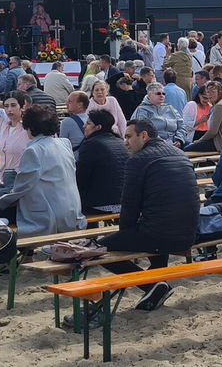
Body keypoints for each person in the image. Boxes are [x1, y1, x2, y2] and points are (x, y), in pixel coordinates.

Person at [81, 118, 198, 320]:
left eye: (128, 137)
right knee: (155, 233)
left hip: (161, 233)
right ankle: (154, 289)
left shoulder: (138, 160)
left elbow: (130, 207)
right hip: (189, 233)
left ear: (144, 136)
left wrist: (124, 235)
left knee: (97, 250)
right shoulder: (180, 153)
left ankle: (152, 286)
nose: (125, 142)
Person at [0, 104, 84, 236]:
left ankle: (20, 254)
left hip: (50, 215)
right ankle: (28, 255)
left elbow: (22, 187)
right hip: (72, 211)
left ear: (29, 127)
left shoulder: (33, 150)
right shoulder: (64, 143)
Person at [183, 81, 222, 153]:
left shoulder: (220, 106)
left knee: (186, 149)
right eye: (208, 92)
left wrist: (199, 141)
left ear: (220, 92)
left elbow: (213, 131)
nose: (210, 95)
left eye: (213, 92)